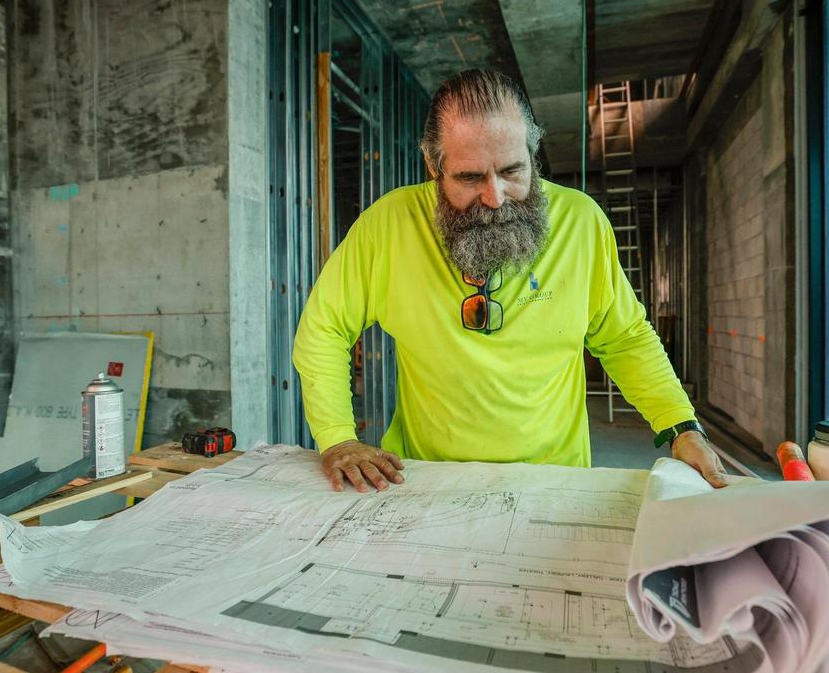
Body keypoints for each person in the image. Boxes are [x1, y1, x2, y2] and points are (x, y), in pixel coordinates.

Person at [293, 69, 727, 493]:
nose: (495, 197)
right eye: (469, 178)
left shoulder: (581, 223)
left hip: (555, 483)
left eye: (512, 171)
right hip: (423, 482)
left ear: (532, 153)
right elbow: (324, 328)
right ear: (433, 165)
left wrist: (681, 426)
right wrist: (339, 439)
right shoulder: (387, 226)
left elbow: (625, 337)